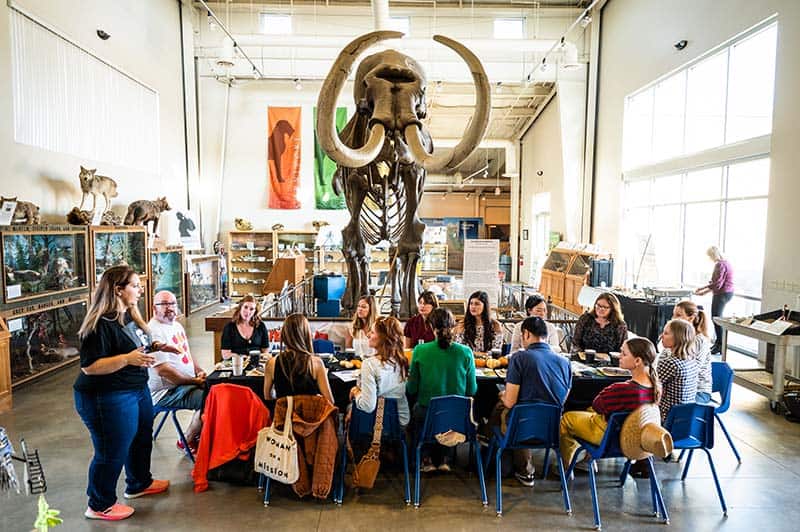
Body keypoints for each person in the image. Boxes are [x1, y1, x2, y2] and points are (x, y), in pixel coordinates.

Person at [73, 265, 171, 521]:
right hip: (106, 396)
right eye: (135, 286)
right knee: (111, 449)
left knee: (141, 437)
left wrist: (157, 346)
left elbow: (135, 345)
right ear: (118, 290)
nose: (140, 290)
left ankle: (139, 483)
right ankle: (99, 503)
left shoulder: (128, 316)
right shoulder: (98, 324)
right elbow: (90, 367)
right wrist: (128, 359)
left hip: (136, 389)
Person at [559, 337, 661, 470]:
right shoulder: (655, 387)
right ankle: (585, 458)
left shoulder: (621, 389)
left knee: (566, 419)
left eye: (624, 354)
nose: (620, 356)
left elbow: (597, 405)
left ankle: (566, 465)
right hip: (635, 439)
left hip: (609, 438)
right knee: (590, 411)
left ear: (637, 361)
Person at [496, 316, 572, 486]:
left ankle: (515, 465)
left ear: (526, 334)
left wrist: (502, 395)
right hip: (552, 429)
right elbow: (562, 399)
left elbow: (509, 402)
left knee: (502, 405)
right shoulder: (565, 362)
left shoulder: (519, 358)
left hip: (521, 428)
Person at [407, 308, 477, 472]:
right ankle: (447, 458)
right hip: (458, 418)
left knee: (416, 411)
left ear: (430, 327)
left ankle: (426, 457)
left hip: (427, 413)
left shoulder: (420, 351)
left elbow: (411, 389)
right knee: (450, 412)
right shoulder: (466, 352)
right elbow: (472, 389)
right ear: (453, 326)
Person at [147, 290, 206, 451]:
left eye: (173, 303)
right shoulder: (153, 331)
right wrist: (194, 381)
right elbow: (164, 371)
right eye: (164, 304)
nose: (170, 307)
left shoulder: (177, 325)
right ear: (154, 308)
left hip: (183, 385)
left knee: (218, 390)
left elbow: (186, 353)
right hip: (166, 393)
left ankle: (200, 434)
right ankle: (187, 440)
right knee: (211, 400)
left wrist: (199, 370)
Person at [350, 316, 410, 427]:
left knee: (351, 408)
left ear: (383, 338)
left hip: (375, 425)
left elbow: (368, 406)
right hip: (400, 422)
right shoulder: (402, 360)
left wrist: (356, 392)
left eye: (372, 332)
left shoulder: (369, 364)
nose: (368, 335)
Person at [263, 313, 335, 405]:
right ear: (306, 334)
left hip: (284, 417)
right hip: (311, 418)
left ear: (284, 334)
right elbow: (330, 401)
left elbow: (267, 397)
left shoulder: (271, 363)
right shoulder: (315, 363)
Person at [657, 319, 699, 423]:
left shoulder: (670, 363)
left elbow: (650, 386)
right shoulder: (691, 360)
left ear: (678, 338)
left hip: (667, 417)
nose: (661, 336)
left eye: (666, 333)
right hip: (686, 416)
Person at [694, 246, 734, 354]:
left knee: (716, 319)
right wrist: (702, 288)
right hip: (728, 293)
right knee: (717, 318)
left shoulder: (719, 265)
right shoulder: (726, 263)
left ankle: (720, 345)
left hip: (722, 294)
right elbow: (716, 282)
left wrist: (703, 292)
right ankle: (718, 343)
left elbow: (717, 284)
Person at [673, 300, 712, 403]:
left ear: (691, 318)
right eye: (674, 315)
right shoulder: (681, 336)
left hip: (698, 391)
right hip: (682, 385)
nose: (673, 319)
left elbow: (693, 369)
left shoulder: (700, 340)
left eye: (678, 315)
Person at [220, 295, 269, 360]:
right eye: (245, 307)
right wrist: (242, 358)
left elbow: (265, 351)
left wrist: (259, 357)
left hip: (256, 364)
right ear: (240, 308)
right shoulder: (229, 327)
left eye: (251, 309)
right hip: (235, 364)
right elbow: (225, 355)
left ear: (255, 312)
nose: (248, 312)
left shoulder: (261, 326)